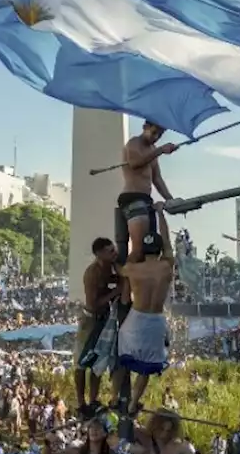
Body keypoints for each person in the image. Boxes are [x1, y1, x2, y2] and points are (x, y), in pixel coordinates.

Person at [116, 212, 174, 413]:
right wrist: (161, 213)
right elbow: (167, 241)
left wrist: (133, 252)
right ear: (159, 251)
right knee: (147, 367)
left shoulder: (132, 269)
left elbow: (120, 269)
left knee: (122, 354)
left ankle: (118, 395)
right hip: (156, 319)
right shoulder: (167, 266)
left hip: (136, 318)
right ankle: (133, 403)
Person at [120, 121, 177, 263]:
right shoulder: (133, 143)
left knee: (149, 250)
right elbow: (135, 163)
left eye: (160, 134)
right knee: (138, 249)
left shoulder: (153, 150)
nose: (156, 137)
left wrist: (170, 199)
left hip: (146, 199)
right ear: (145, 127)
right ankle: (126, 283)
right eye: (154, 132)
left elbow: (157, 179)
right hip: (133, 198)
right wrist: (160, 151)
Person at [75, 238, 119, 418]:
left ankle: (93, 400)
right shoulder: (92, 273)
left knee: (97, 363)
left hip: (103, 319)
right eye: (110, 251)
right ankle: (81, 403)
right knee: (81, 364)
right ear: (99, 254)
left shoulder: (109, 267)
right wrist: (115, 292)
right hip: (90, 320)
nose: (114, 253)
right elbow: (93, 303)